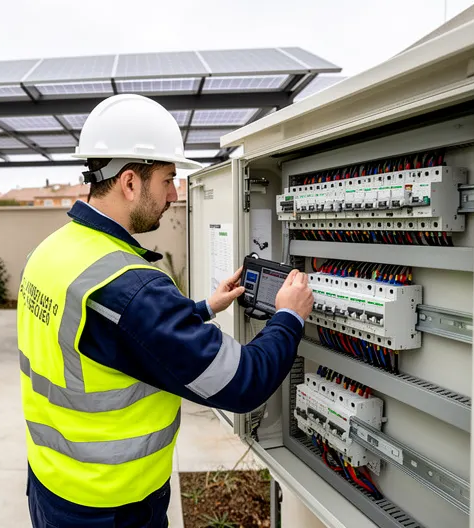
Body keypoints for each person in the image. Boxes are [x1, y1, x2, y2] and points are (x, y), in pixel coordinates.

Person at [18, 93, 314, 527]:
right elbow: (244, 381)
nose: (175, 195)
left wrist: (203, 308)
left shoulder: (52, 251)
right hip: (111, 506)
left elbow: (110, 338)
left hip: (51, 485)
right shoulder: (130, 287)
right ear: (130, 182)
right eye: (168, 180)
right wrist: (290, 316)